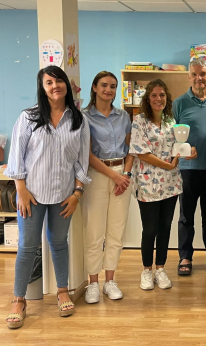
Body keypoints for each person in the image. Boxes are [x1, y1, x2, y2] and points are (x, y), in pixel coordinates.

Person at [5, 66, 90, 329]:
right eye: (49, 82)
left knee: (59, 242)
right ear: (43, 87)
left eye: (59, 81)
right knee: (28, 247)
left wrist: (77, 192)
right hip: (31, 195)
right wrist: (21, 190)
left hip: (64, 195)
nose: (55, 86)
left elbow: (81, 161)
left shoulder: (78, 120)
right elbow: (16, 156)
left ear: (67, 84)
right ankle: (19, 300)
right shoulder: (29, 117)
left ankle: (62, 291)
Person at [129, 79, 195, 290]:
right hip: (148, 184)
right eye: (154, 95)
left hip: (170, 184)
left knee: (165, 228)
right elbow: (142, 153)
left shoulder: (170, 121)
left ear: (167, 98)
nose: (159, 99)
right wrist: (167, 166)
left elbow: (177, 146)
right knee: (150, 229)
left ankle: (160, 269)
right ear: (148, 99)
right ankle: (147, 270)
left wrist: (186, 152)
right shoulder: (139, 121)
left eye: (162, 95)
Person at [81, 71, 134, 304]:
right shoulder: (84, 117)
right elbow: (88, 154)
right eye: (104, 85)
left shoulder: (123, 116)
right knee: (94, 232)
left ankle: (109, 280)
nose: (108, 90)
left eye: (113, 86)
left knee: (116, 231)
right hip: (98, 176)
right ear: (94, 87)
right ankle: (93, 282)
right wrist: (114, 175)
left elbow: (132, 148)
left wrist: (126, 174)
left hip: (122, 174)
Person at [173, 58, 206, 275]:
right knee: (186, 215)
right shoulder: (179, 103)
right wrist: (183, 151)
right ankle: (185, 256)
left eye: (202, 73)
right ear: (189, 77)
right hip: (188, 168)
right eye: (194, 74)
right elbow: (171, 136)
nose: (198, 78)